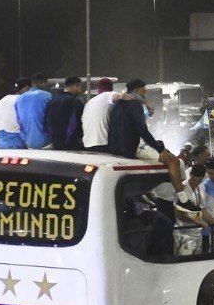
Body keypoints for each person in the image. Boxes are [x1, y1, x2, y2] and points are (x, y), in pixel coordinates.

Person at [107, 79, 200, 213]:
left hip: (115, 147)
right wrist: (160, 149)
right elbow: (142, 131)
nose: (145, 94)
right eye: (143, 91)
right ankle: (183, 200)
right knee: (174, 161)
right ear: (135, 91)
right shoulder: (134, 105)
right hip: (129, 148)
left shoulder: (117, 105)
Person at [13, 72, 54, 149]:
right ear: (45, 83)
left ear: (32, 83)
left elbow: (18, 121)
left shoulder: (19, 99)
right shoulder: (47, 96)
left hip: (28, 143)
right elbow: (52, 118)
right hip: (46, 142)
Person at [46, 76, 85, 150]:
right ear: (74, 86)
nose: (79, 90)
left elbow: (47, 121)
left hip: (55, 142)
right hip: (71, 143)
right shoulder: (75, 102)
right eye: (78, 87)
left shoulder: (52, 100)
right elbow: (81, 122)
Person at [81, 77, 119, 152]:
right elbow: (118, 96)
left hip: (88, 143)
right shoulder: (109, 94)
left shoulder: (89, 102)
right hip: (102, 142)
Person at [0, 78, 29, 149]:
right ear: (26, 87)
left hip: (0, 140)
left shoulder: (2, 100)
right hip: (16, 138)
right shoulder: (22, 99)